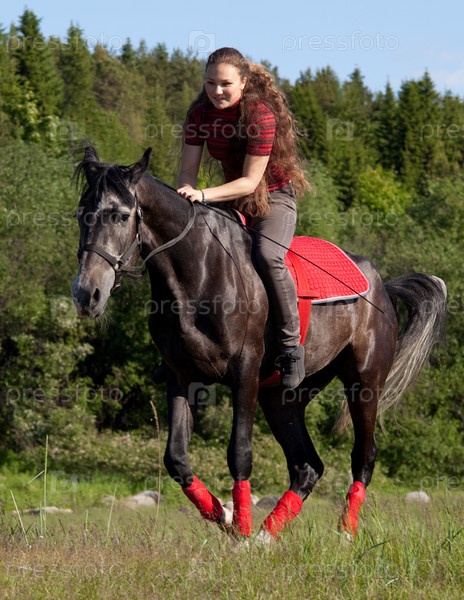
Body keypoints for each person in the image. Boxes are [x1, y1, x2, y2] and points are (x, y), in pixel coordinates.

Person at [176, 47, 311, 389]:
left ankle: (290, 348)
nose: (216, 90)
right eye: (210, 83)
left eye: (225, 84)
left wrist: (202, 195)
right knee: (191, 249)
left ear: (244, 82)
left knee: (267, 256)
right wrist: (186, 193)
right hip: (228, 198)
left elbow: (251, 183)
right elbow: (187, 172)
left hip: (272, 199)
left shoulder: (260, 115)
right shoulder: (199, 114)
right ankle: (180, 348)